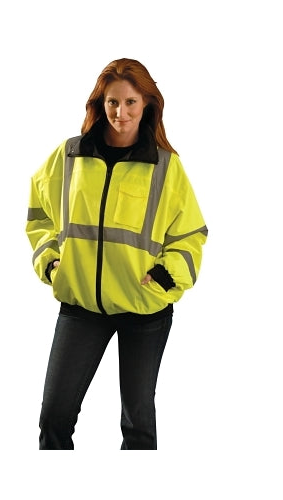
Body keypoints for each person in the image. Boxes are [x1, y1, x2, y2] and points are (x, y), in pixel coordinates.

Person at [26, 58, 208, 450]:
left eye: (130, 102)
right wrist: (51, 263)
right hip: (81, 303)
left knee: (137, 424)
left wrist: (165, 276)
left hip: (144, 306)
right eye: (112, 102)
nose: (120, 112)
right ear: (100, 103)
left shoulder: (165, 166)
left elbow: (191, 234)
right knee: (54, 416)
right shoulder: (69, 156)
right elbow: (38, 212)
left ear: (146, 105)